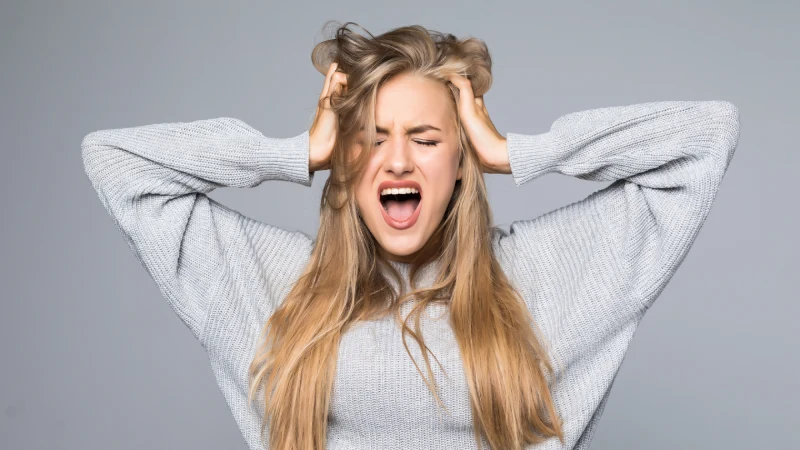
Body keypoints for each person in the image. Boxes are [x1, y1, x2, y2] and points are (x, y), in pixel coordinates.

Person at [81, 22, 740, 450]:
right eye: (370, 139)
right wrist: (297, 153)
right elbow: (113, 161)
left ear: (460, 164)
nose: (396, 161)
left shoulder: (540, 279)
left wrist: (511, 150)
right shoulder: (275, 284)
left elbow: (705, 136)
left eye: (425, 139)